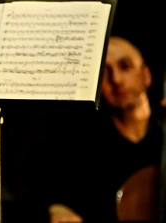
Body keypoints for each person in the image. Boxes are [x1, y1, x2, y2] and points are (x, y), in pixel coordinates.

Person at [23, 35, 162, 223]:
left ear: (146, 75)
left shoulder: (161, 131)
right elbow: (48, 189)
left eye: (125, 66)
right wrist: (57, 207)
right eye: (104, 71)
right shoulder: (80, 142)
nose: (116, 79)